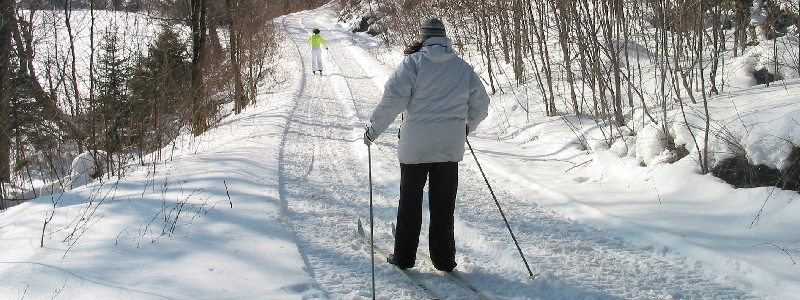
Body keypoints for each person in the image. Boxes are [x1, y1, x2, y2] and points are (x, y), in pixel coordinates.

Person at [363, 18, 490, 272]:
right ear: (444, 37)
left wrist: (372, 131)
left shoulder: (413, 64)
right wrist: (465, 127)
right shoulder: (462, 67)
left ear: (423, 37)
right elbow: (481, 104)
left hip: (415, 149)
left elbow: (392, 101)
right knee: (443, 208)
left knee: (410, 205)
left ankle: (404, 257)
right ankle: (444, 261)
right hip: (449, 148)